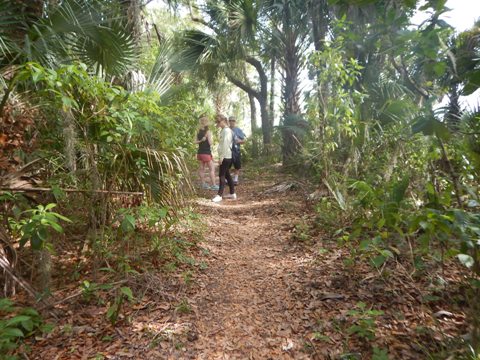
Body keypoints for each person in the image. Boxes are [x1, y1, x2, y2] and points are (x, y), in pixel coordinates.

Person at [212, 115, 236, 203]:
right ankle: (232, 193)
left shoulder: (227, 131)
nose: (217, 124)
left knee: (221, 175)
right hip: (225, 156)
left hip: (226, 156)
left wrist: (221, 157)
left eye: (218, 122)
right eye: (216, 122)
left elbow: (226, 144)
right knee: (227, 175)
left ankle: (219, 195)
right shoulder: (223, 130)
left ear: (223, 121)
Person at [194, 115, 218, 190]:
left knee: (202, 169)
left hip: (200, 152)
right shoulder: (208, 131)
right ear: (207, 122)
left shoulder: (197, 131)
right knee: (212, 168)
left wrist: (200, 141)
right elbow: (210, 143)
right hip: (206, 153)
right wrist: (211, 139)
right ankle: (214, 185)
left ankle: (203, 184)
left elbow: (194, 142)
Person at [228, 116, 246, 185]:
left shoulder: (238, 130)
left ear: (235, 122)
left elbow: (244, 140)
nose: (232, 122)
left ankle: (235, 180)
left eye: (233, 120)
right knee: (227, 166)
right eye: (230, 120)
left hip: (236, 151)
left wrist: (239, 141)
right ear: (228, 121)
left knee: (237, 166)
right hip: (227, 151)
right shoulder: (226, 129)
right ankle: (228, 179)